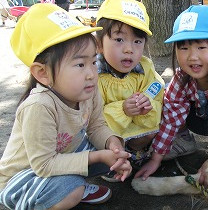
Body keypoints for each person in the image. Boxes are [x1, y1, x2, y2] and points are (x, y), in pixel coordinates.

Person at [0, 4, 132, 209]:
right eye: (80, 64)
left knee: (113, 155)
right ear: (43, 73)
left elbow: (96, 127)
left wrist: (112, 145)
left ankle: (67, 186)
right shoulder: (39, 106)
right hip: (22, 177)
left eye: (94, 62)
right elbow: (44, 164)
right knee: (72, 191)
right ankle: (61, 194)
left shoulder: (88, 89)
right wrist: (97, 156)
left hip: (61, 157)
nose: (91, 73)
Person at [134, 5, 208, 181]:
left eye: (201, 47)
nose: (192, 56)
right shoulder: (182, 77)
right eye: (183, 48)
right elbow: (171, 117)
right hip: (199, 120)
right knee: (166, 99)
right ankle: (182, 140)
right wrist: (155, 159)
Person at [95, 0, 164, 181]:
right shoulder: (93, 73)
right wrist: (122, 110)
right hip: (107, 133)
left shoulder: (145, 68)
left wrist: (148, 106)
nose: (129, 49)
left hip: (135, 128)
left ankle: (133, 154)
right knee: (107, 140)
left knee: (154, 128)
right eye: (119, 40)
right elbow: (92, 118)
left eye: (137, 41)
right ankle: (113, 162)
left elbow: (157, 94)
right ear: (99, 44)